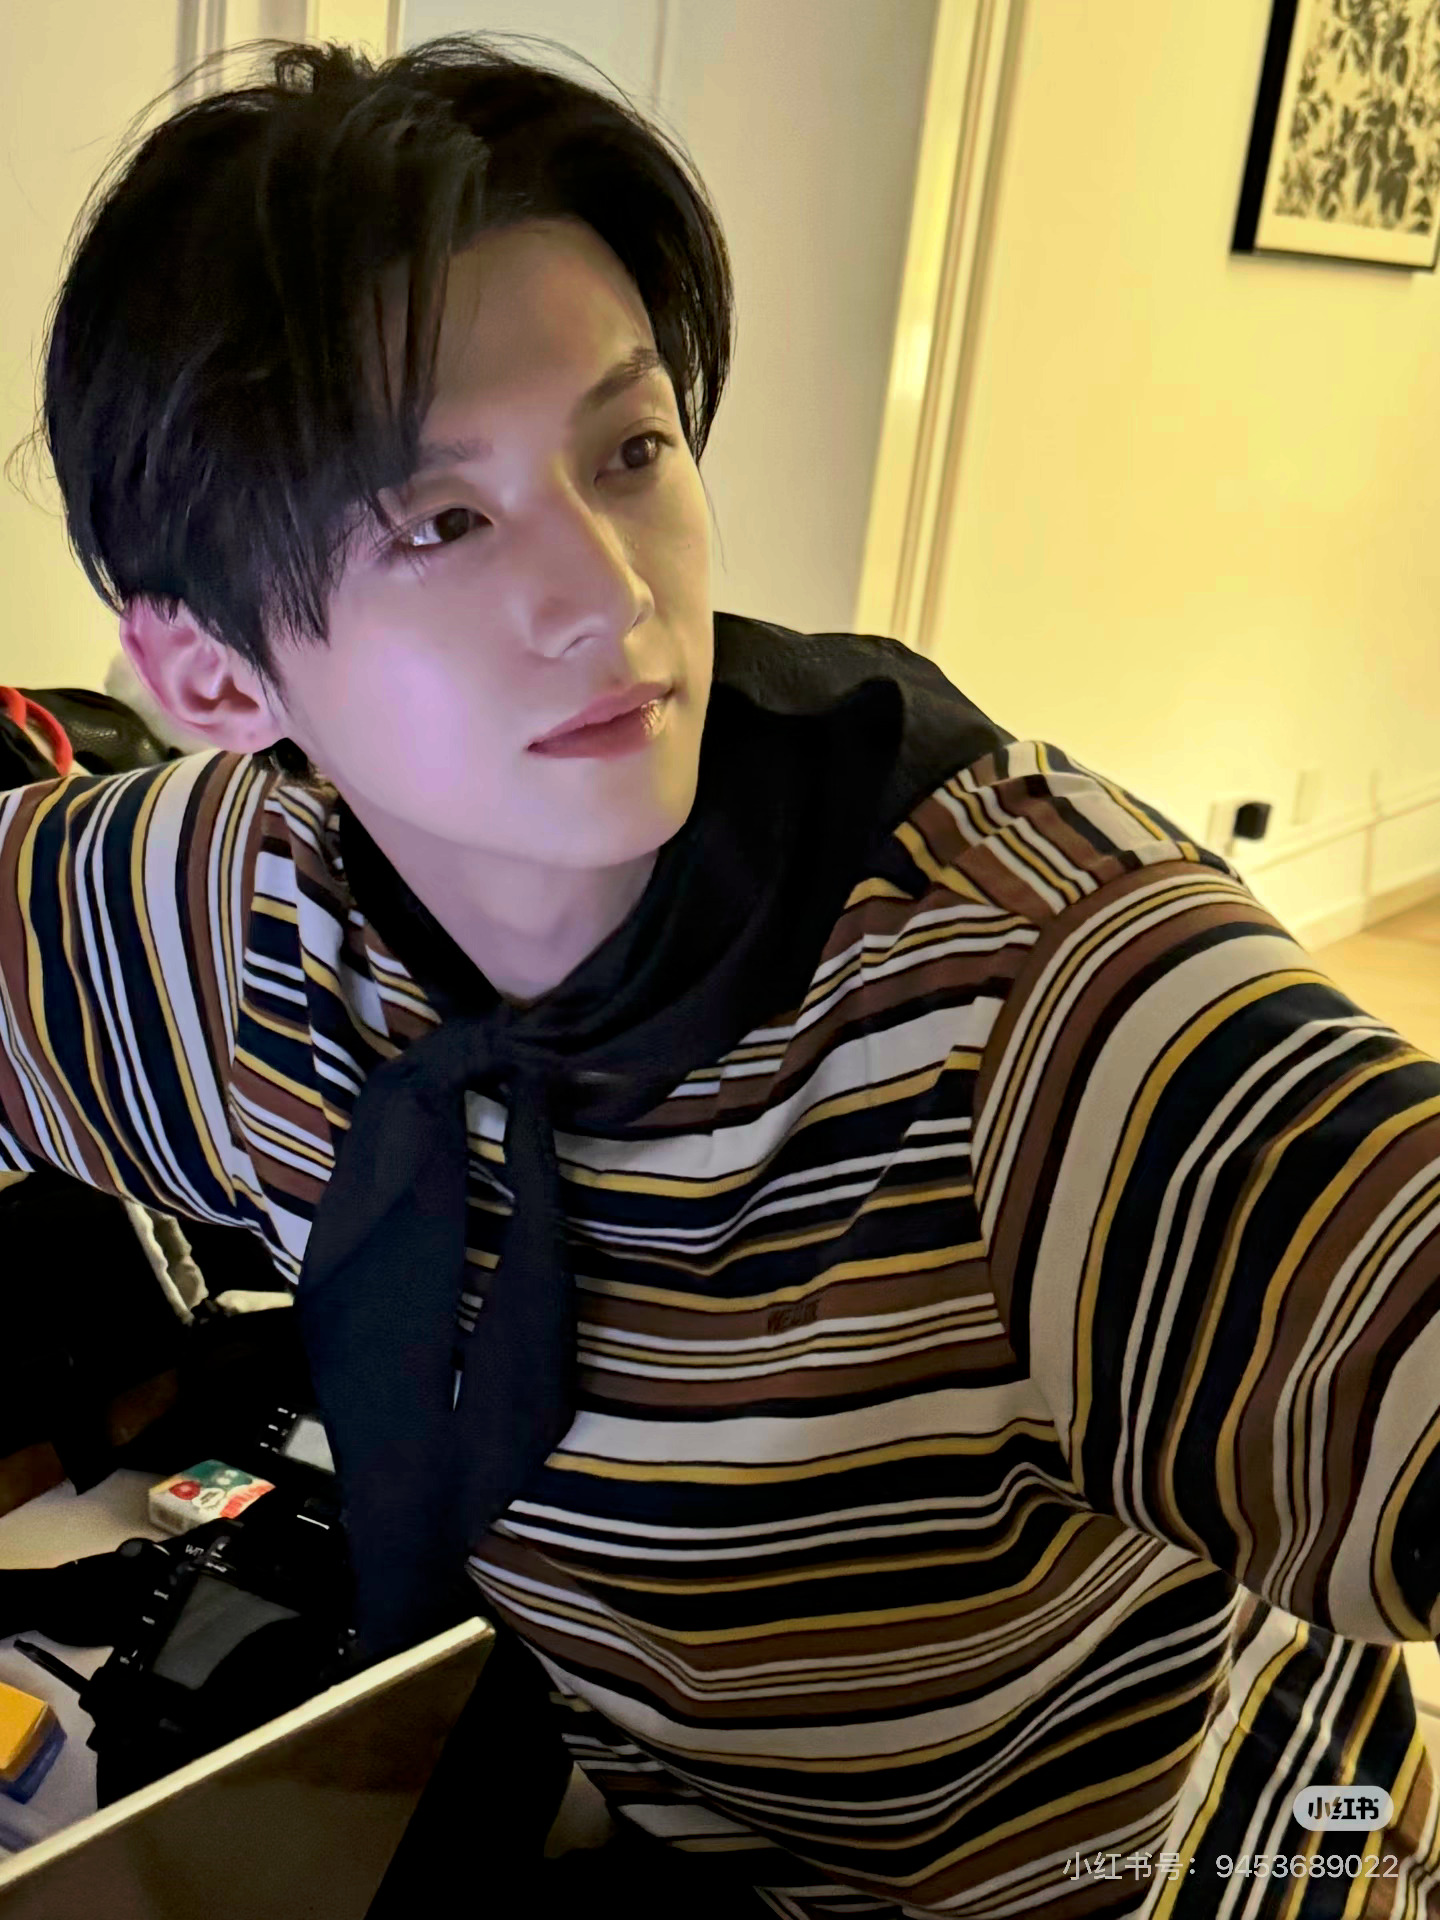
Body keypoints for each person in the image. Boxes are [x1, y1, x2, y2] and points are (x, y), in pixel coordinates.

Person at [6, 32, 1440, 1918]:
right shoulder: (241, 912)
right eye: (443, 522)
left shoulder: (1030, 1002)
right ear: (209, 676)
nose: (614, 592)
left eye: (632, 448)